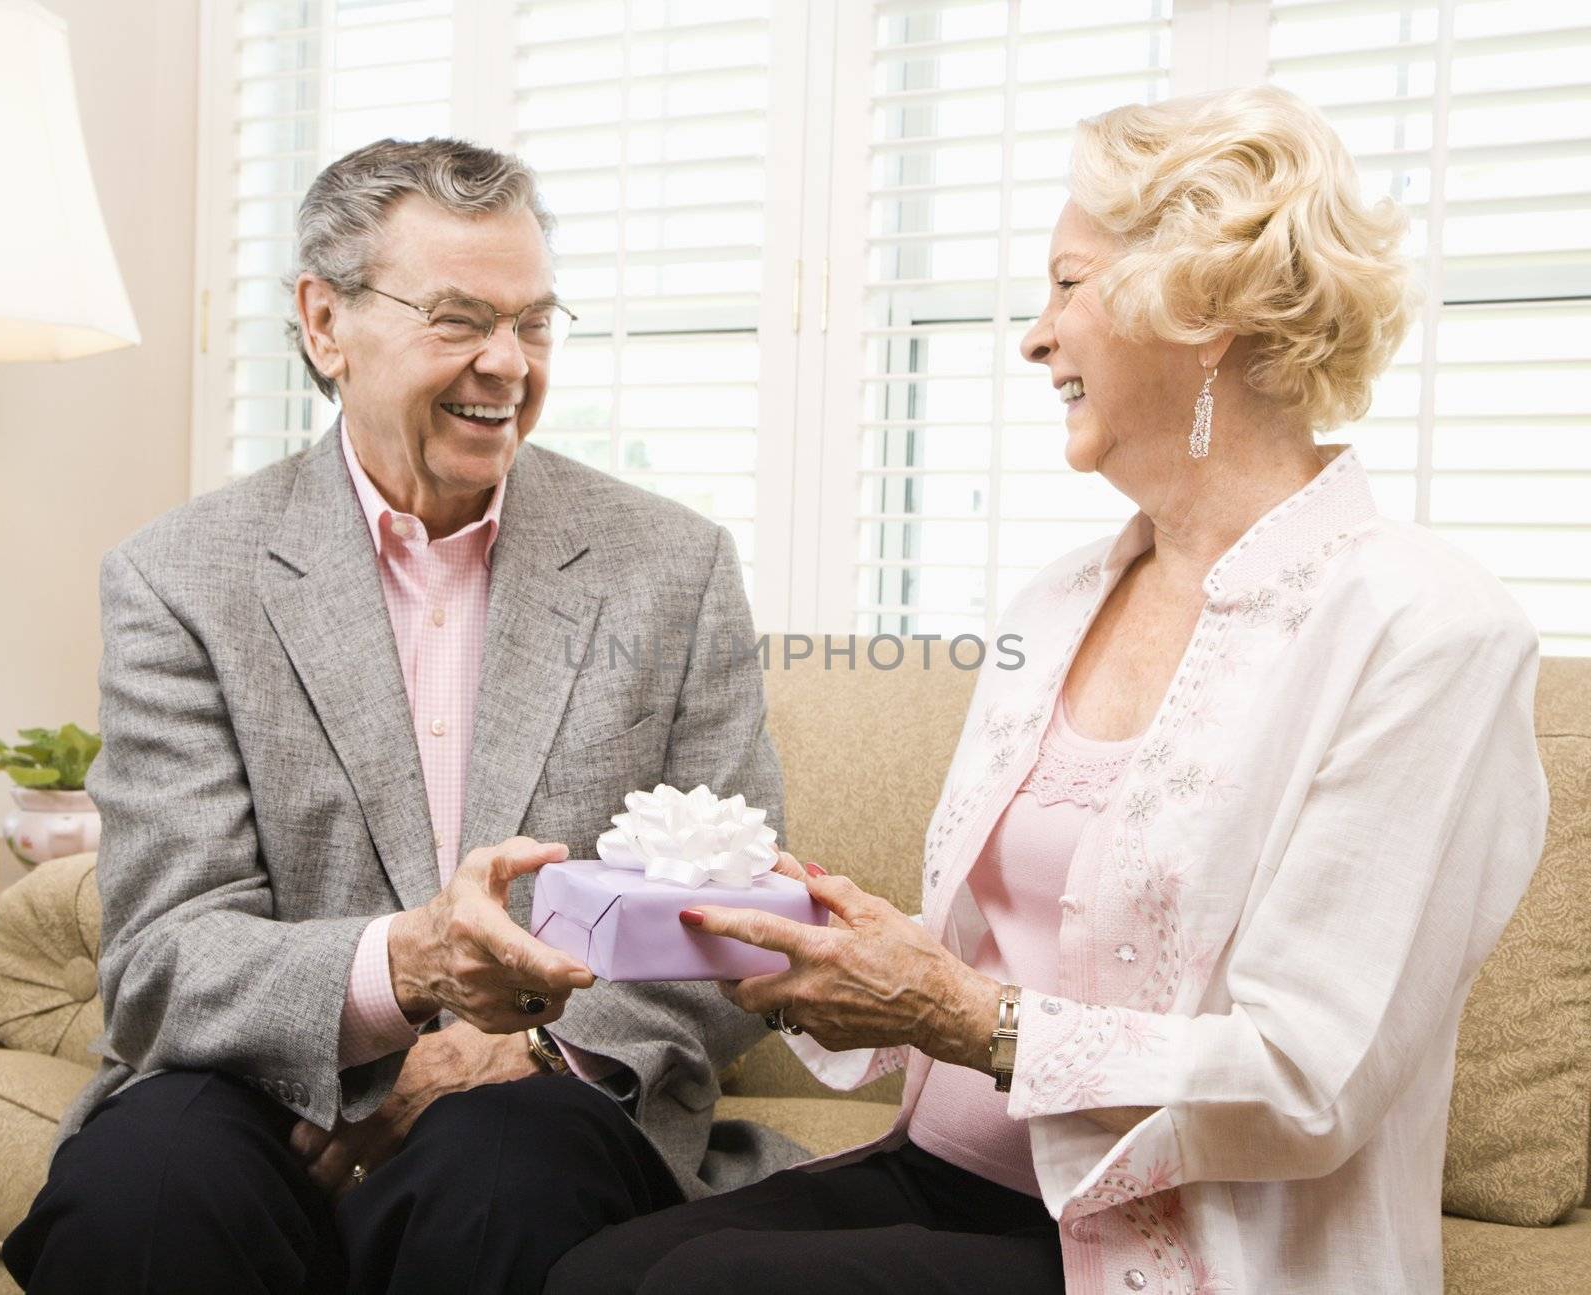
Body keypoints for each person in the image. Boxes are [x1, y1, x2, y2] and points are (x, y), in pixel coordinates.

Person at [547, 85, 1551, 1295]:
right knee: (590, 1269)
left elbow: (1309, 1079)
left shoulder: (1427, 630)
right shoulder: (1056, 601)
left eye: (1068, 285)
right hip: (947, 1173)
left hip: (1185, 1236)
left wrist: (957, 1013)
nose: (1035, 336)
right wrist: (847, 953)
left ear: (1204, 309)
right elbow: (1001, 955)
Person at [5, 138, 803, 1295]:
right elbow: (167, 954)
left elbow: (727, 917)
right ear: (325, 322)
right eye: (458, 317)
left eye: (533, 321)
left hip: (548, 1092)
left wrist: (531, 1044)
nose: (506, 363)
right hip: (258, 1088)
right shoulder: (180, 576)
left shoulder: (669, 566)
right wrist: (404, 970)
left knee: (499, 1178)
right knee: (146, 1197)